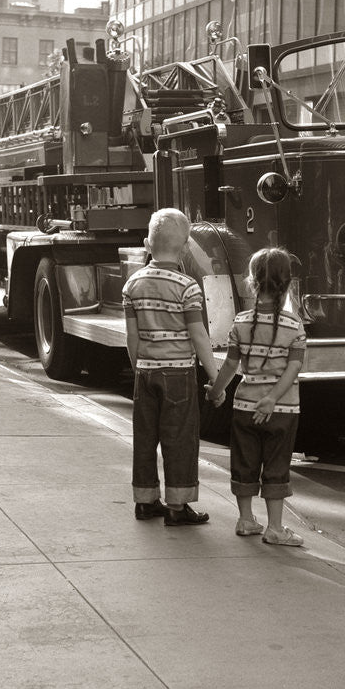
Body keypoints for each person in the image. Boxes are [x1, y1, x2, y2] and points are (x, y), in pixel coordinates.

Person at [122, 208, 218, 526]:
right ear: (185, 246)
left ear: (148, 243)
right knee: (179, 439)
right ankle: (177, 506)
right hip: (178, 373)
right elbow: (199, 335)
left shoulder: (133, 284)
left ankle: (145, 501)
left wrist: (139, 366)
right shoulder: (187, 287)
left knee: (145, 437)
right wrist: (215, 376)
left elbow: (131, 336)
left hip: (145, 371)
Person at [206, 247, 306, 546]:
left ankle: (246, 519)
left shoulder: (240, 322)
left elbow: (231, 365)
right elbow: (294, 369)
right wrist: (273, 398)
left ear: (251, 282)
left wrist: (216, 390)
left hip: (244, 406)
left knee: (245, 463)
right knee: (276, 467)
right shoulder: (295, 326)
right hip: (283, 409)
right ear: (288, 284)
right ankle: (275, 528)